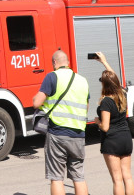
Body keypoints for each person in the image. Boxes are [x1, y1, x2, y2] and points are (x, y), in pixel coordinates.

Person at [32, 50, 91, 195]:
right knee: (78, 177)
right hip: (78, 135)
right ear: (68, 63)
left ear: (54, 63)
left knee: (57, 178)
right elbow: (86, 107)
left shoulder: (52, 77)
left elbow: (36, 103)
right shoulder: (82, 80)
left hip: (57, 134)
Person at [93, 52, 134, 195]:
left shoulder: (106, 102)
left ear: (104, 84)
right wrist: (104, 61)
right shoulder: (123, 95)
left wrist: (97, 121)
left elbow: (105, 126)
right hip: (126, 138)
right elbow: (114, 78)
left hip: (112, 141)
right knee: (127, 176)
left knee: (117, 179)